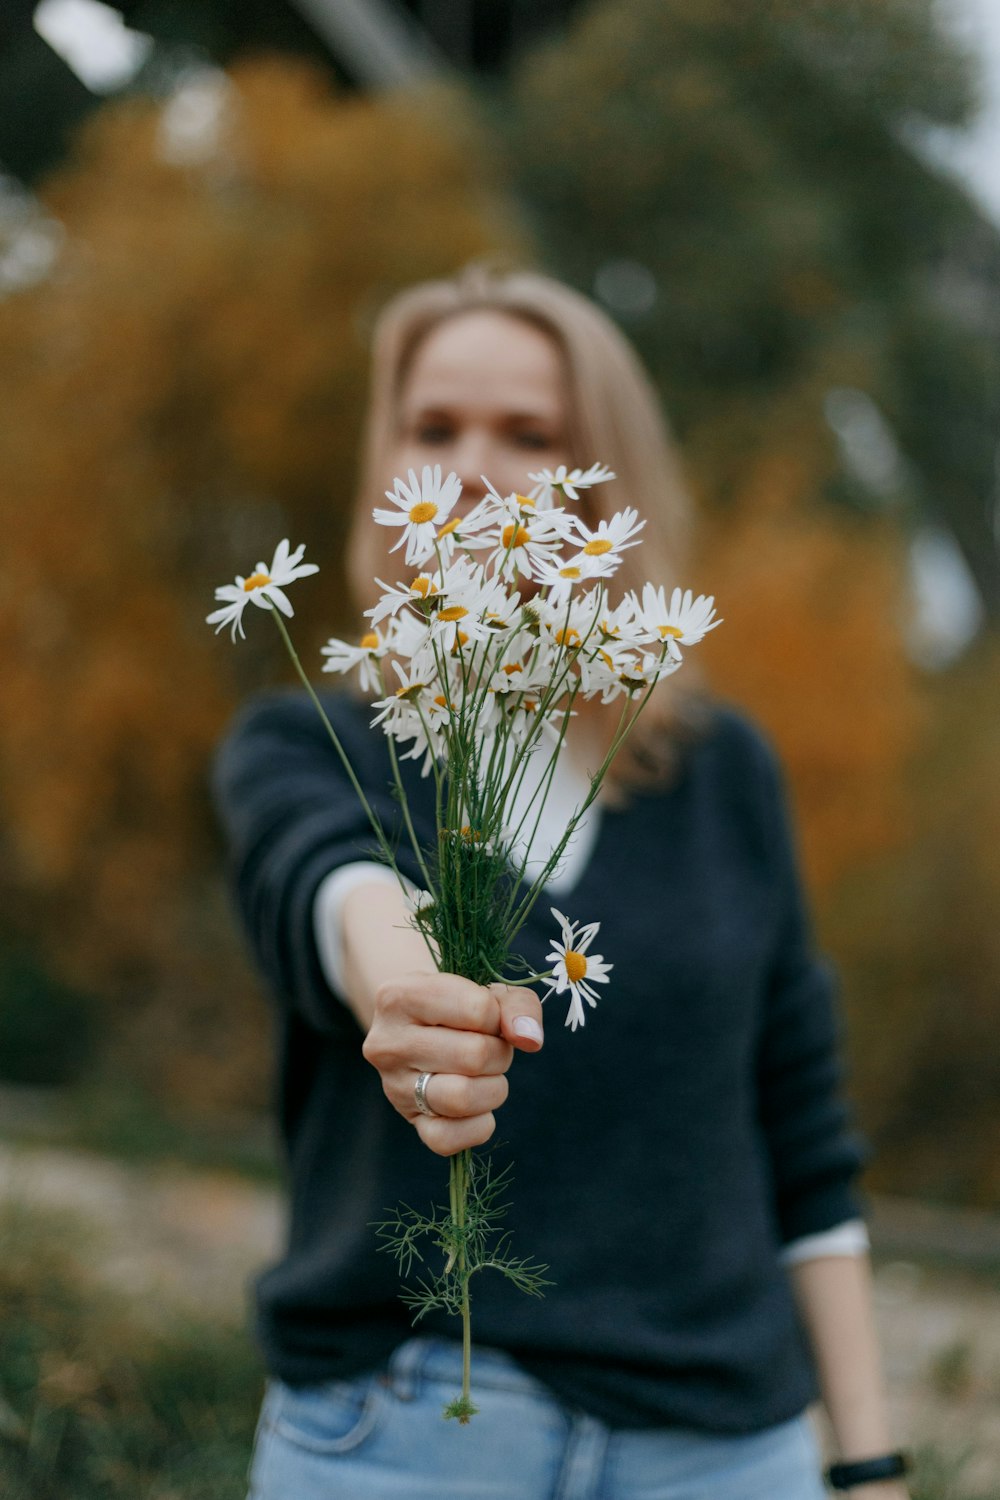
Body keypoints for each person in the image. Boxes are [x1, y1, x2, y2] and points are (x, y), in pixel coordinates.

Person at [213, 266, 911, 1499]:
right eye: (433, 431)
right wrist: (407, 982)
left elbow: (799, 1130)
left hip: (724, 1450)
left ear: (605, 482)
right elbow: (327, 881)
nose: (474, 471)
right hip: (403, 1433)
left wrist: (867, 1461)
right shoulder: (317, 742)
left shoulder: (719, 771)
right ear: (388, 469)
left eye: (530, 436)